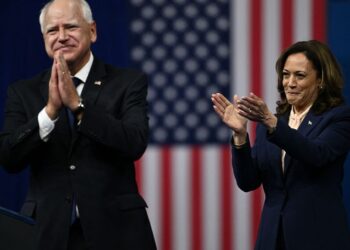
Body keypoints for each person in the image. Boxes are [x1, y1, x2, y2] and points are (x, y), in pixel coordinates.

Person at [0, 0, 156, 249]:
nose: (61, 37)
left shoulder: (128, 82)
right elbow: (9, 157)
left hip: (117, 233)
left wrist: (78, 106)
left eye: (71, 27)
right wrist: (50, 112)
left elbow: (134, 143)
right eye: (52, 30)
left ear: (92, 31)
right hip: (48, 234)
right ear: (44, 38)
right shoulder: (22, 92)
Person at [211, 40, 350, 250]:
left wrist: (271, 123)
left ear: (320, 79)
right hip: (273, 237)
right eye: (286, 74)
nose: (290, 83)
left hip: (318, 236)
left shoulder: (338, 118)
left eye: (300, 75)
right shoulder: (274, 123)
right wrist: (240, 135)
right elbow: (248, 182)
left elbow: (317, 154)